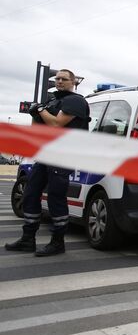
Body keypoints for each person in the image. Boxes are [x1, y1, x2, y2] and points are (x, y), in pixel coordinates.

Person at [5, 69, 90, 256]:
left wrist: (41, 110)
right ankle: (28, 239)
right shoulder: (52, 101)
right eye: (57, 78)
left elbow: (57, 124)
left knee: (55, 197)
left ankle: (58, 242)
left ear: (73, 82)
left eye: (64, 79)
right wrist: (35, 113)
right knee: (30, 194)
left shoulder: (75, 101)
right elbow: (38, 128)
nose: (59, 81)